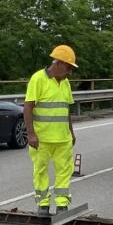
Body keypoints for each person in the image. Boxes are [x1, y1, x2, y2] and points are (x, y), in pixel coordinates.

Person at [24, 45, 77, 214]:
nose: (69, 72)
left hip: (63, 139)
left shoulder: (66, 83)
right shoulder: (38, 79)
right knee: (40, 172)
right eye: (68, 67)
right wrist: (31, 134)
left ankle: (62, 205)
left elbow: (66, 109)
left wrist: (71, 132)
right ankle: (43, 204)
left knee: (64, 172)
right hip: (42, 139)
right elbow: (28, 107)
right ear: (59, 63)